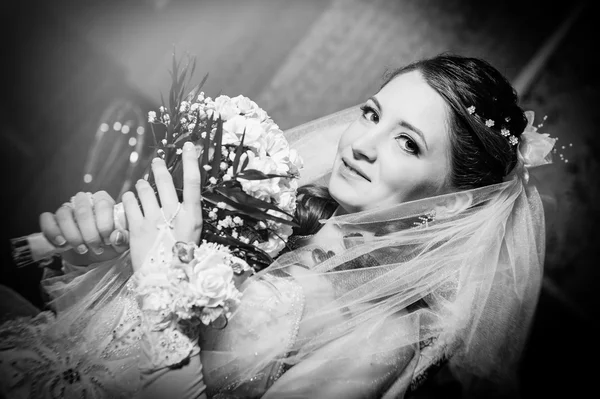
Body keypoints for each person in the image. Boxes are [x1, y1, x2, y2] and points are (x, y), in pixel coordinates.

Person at [0, 53, 555, 398]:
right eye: (371, 113)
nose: (362, 144)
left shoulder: (383, 338)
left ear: (455, 203)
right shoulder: (273, 211)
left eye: (407, 143)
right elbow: (98, 339)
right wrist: (93, 252)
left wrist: (164, 272)